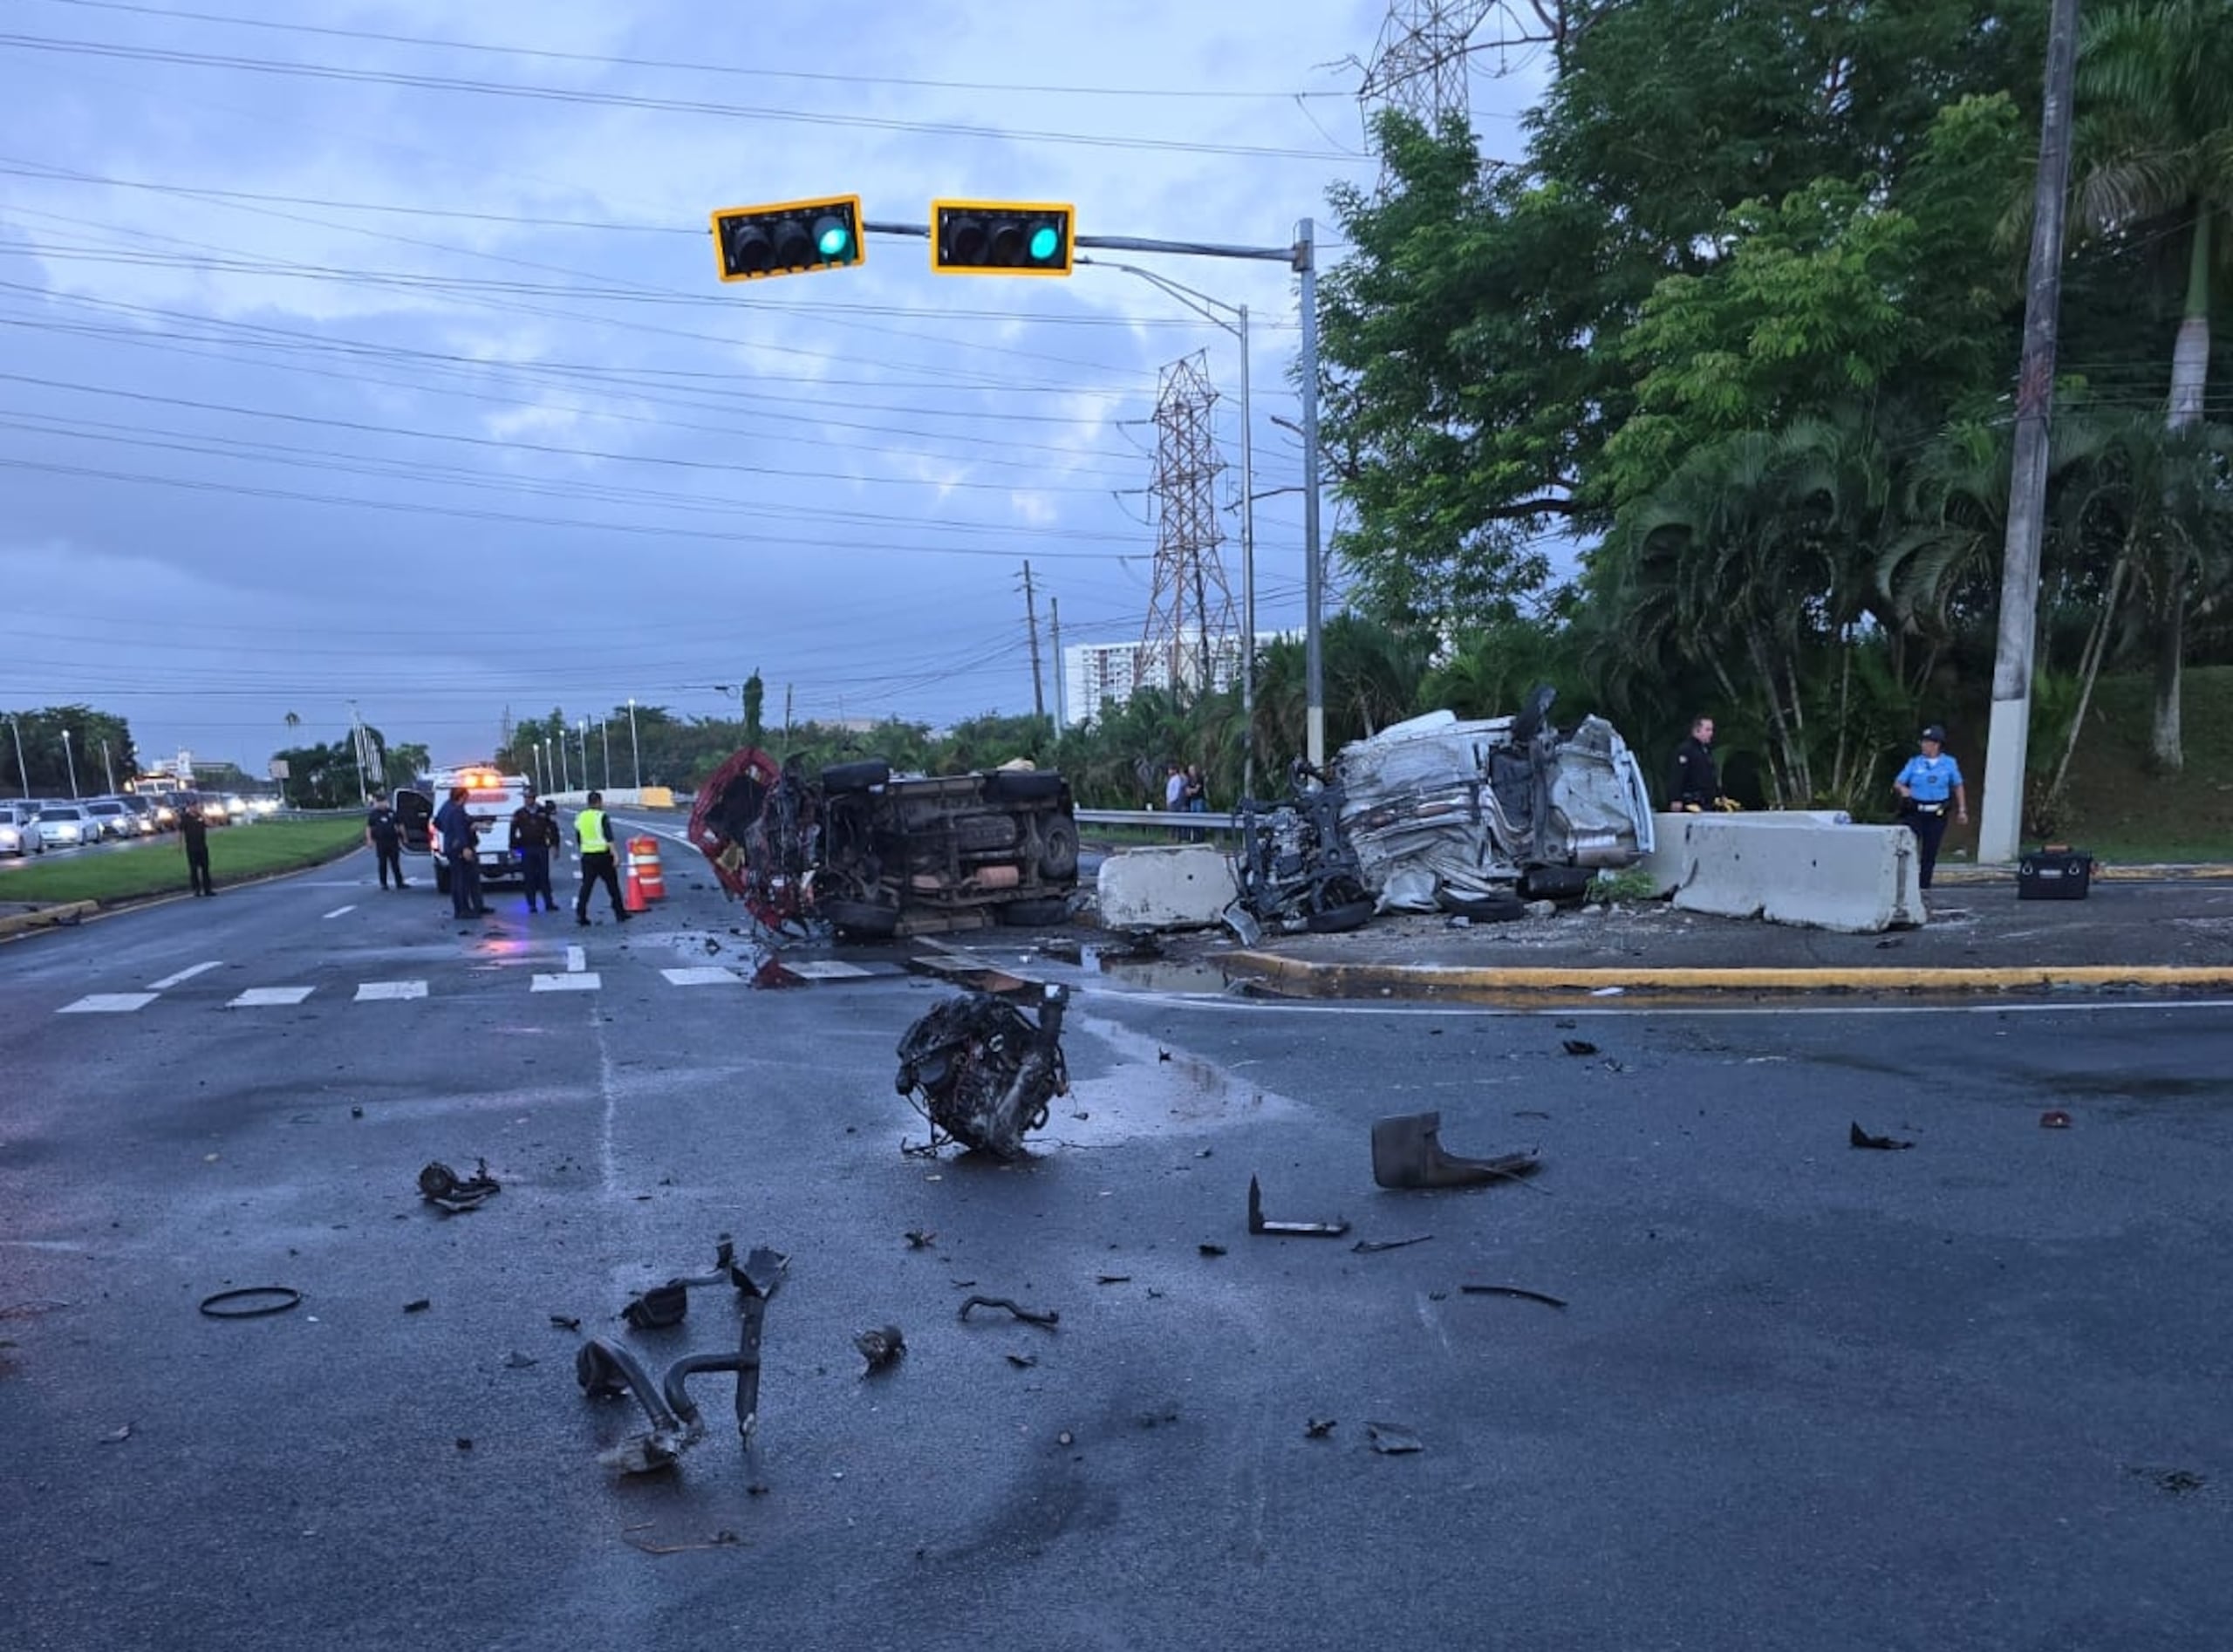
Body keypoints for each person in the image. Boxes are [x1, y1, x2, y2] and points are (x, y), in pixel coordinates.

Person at [1894, 724, 1968, 891]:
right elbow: (1899, 782)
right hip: (1915, 812)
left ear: (1936, 745)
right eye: (1923, 742)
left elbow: (1958, 785)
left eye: (1927, 742)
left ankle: (1923, 887)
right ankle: (1904, 885)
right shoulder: (1914, 763)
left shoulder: (1949, 763)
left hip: (1937, 813)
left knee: (1930, 852)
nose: (1923, 745)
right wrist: (1903, 789)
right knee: (1907, 848)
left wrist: (1962, 810)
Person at [573, 788, 631, 927]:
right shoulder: (602, 816)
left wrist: (584, 849)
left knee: (586, 887)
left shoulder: (580, 817)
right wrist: (616, 855)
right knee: (613, 886)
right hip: (603, 856)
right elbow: (608, 837)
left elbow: (579, 838)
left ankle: (581, 914)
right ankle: (620, 913)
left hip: (587, 856)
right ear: (599, 802)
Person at [431, 785, 489, 920]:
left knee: (463, 878)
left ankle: (472, 907)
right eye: (467, 796)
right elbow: (460, 830)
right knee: (462, 880)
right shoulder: (457, 810)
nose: (468, 799)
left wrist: (449, 833)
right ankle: (463, 910)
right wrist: (464, 847)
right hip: (459, 848)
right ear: (462, 796)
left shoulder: (447, 806)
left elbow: (437, 823)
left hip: (451, 847)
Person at [509, 789, 559, 913]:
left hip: (541, 847)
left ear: (534, 798)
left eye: (530, 797)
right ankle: (531, 904)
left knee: (544, 877)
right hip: (526, 848)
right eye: (526, 798)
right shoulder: (519, 813)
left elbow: (553, 829)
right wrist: (513, 847)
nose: (528, 800)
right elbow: (513, 831)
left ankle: (549, 902)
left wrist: (555, 846)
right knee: (529, 877)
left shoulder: (543, 812)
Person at [1670, 715, 1722, 811]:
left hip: (1707, 802)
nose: (1711, 733)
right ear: (1697, 731)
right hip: (1691, 803)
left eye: (1712, 730)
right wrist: (1675, 799)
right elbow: (1677, 775)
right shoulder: (1686, 750)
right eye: (1707, 730)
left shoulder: (1705, 751)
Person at [365, 790, 406, 890]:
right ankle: (383, 883)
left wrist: (404, 837)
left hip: (393, 841)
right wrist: (369, 840)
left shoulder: (392, 813)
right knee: (382, 863)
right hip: (381, 842)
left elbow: (400, 825)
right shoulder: (374, 814)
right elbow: (369, 828)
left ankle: (399, 882)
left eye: (383, 801)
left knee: (395, 863)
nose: (382, 804)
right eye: (379, 802)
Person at [179, 798, 214, 897]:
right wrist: (179, 845)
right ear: (188, 807)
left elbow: (210, 824)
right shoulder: (185, 818)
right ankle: (196, 889)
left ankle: (208, 889)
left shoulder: (201, 816)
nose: (193, 808)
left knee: (205, 868)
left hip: (202, 846)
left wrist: (202, 813)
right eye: (191, 806)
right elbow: (180, 832)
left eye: (195, 805)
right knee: (193, 869)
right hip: (191, 847)